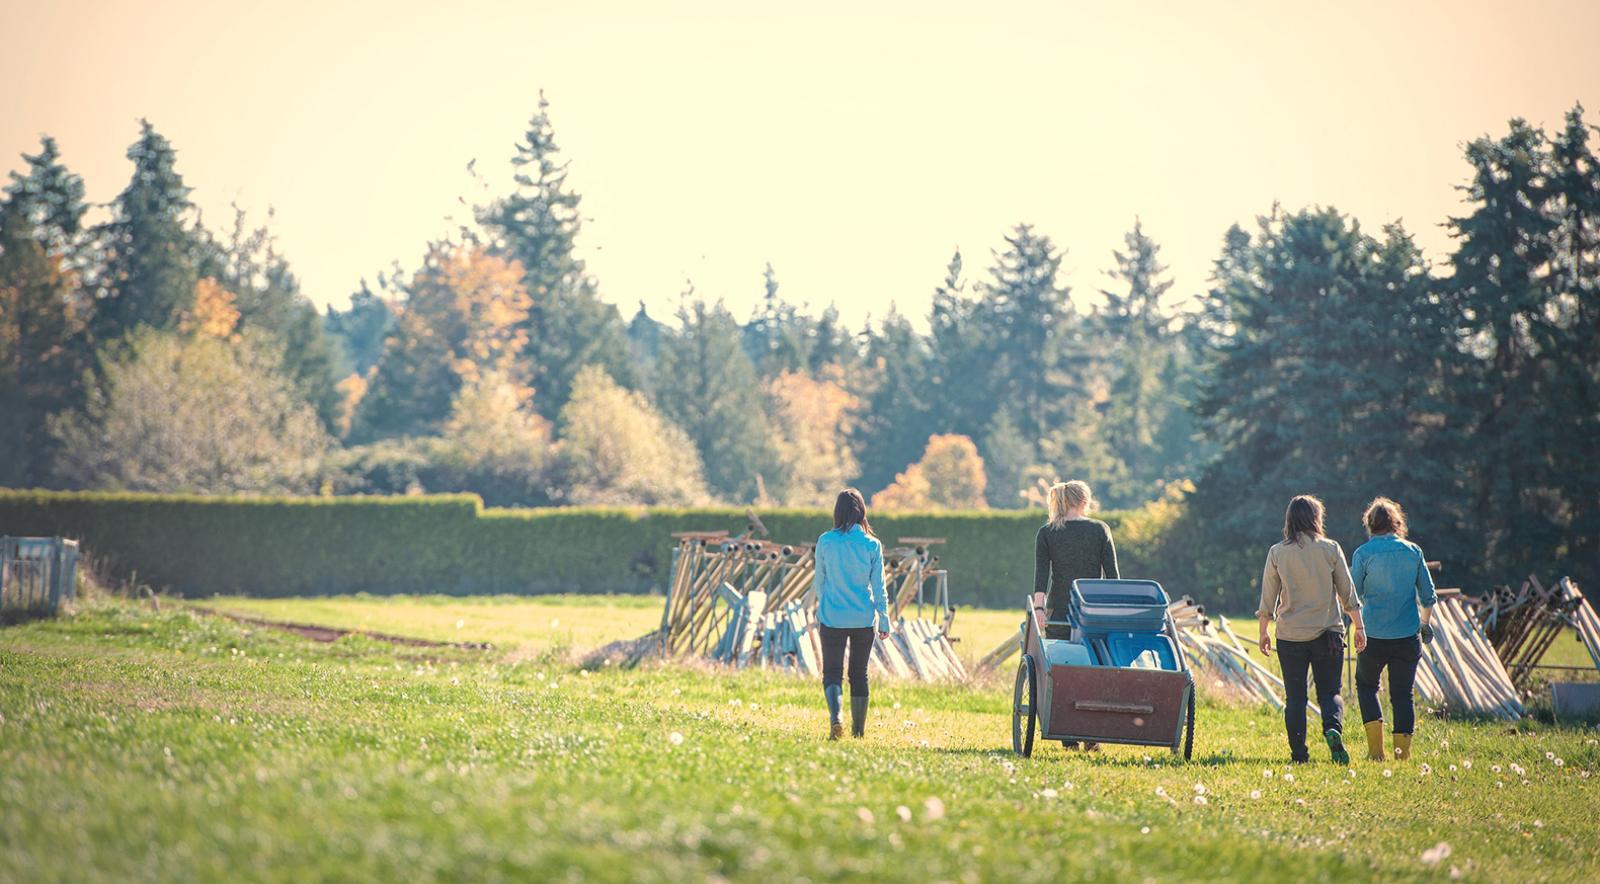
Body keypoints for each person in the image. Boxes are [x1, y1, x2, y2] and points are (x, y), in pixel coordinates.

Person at [1257, 494, 1367, 764]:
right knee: (1330, 693)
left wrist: (1263, 631)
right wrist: (1359, 627)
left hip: (1289, 636)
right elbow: (1347, 593)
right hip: (1328, 634)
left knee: (1295, 698)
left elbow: (1267, 598)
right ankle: (1332, 727)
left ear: (1290, 520)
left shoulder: (1277, 552)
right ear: (1317, 518)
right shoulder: (1331, 549)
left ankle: (1299, 755)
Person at [1350, 497, 1437, 762]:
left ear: (1370, 525)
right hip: (1407, 635)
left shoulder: (1363, 554)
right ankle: (1402, 755)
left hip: (1373, 634)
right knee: (1403, 694)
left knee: (1366, 686)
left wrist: (1357, 625)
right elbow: (1429, 595)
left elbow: (1354, 594)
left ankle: (1376, 753)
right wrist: (1424, 624)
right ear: (1396, 523)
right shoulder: (1413, 552)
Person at [1033, 480, 1118, 750]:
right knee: (1093, 670)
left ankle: (1067, 734)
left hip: (1059, 610)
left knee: (1063, 669)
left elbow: (1041, 577)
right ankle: (1091, 735)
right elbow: (1112, 577)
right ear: (1085, 501)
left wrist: (1038, 609)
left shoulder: (1047, 532)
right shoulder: (1100, 529)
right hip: (1092, 612)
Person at [812, 488, 891, 741]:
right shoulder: (872, 544)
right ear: (862, 511)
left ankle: (836, 719)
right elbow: (879, 586)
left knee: (832, 672)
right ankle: (859, 731)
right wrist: (885, 617)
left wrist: (824, 604)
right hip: (863, 619)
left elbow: (819, 581)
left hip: (832, 616)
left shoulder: (825, 541)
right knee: (859, 674)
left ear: (837, 512)